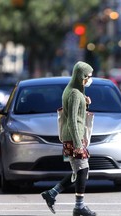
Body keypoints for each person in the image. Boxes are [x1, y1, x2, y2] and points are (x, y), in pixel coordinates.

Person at [41, 61, 96, 216]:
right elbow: (72, 119)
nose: (89, 79)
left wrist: (85, 104)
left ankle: (52, 193)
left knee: (79, 171)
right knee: (82, 170)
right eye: (88, 76)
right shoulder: (73, 93)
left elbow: (78, 114)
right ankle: (79, 207)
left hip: (75, 136)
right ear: (81, 76)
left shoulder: (77, 92)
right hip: (73, 137)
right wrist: (78, 143)